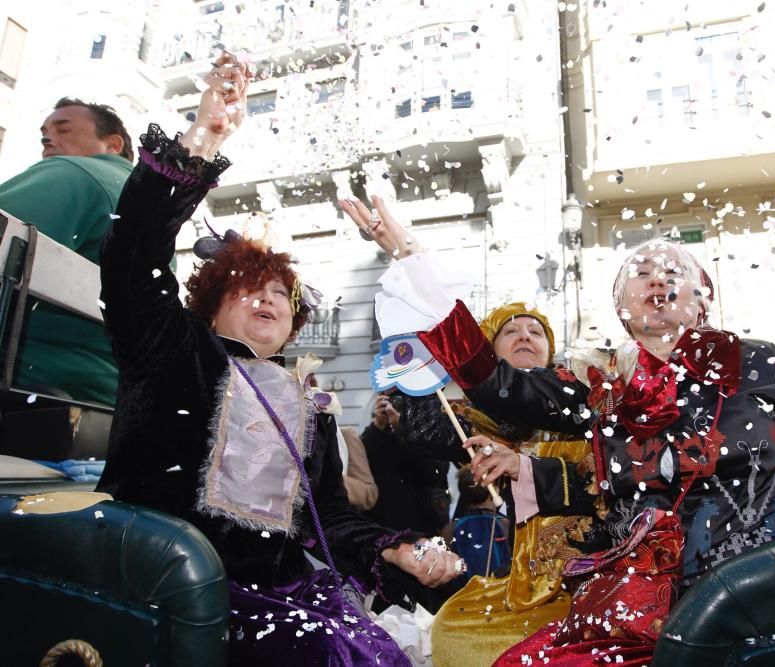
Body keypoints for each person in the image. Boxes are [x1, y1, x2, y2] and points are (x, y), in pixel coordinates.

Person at [340, 196, 775, 666]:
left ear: (702, 298)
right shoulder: (602, 391)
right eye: (640, 273)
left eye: (674, 270)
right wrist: (409, 254)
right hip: (629, 610)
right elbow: (495, 382)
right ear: (623, 313)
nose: (658, 275)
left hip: (767, 597)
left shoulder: (753, 359)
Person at [96, 55, 463, 665]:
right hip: (170, 582)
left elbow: (330, 520)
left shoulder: (306, 403)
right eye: (247, 284)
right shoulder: (172, 345)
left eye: (280, 293)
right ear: (211, 303)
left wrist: (395, 550)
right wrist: (202, 139)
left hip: (289, 589)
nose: (267, 295)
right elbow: (132, 260)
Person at [391, 301, 600, 666]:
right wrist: (415, 369)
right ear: (487, 352)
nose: (524, 336)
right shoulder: (482, 423)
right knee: (452, 632)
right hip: (525, 586)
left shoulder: (581, 396)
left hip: (594, 576)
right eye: (511, 331)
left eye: (535, 332)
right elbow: (423, 434)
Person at [0, 97, 134, 405]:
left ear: (112, 144)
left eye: (64, 129)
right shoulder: (147, 205)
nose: (48, 138)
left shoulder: (75, 173)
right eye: (44, 132)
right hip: (103, 393)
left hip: (30, 380)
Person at [362, 393, 452, 536]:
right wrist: (377, 425)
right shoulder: (377, 434)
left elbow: (433, 473)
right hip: (383, 524)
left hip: (422, 523)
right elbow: (361, 462)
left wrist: (405, 429)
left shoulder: (428, 433)